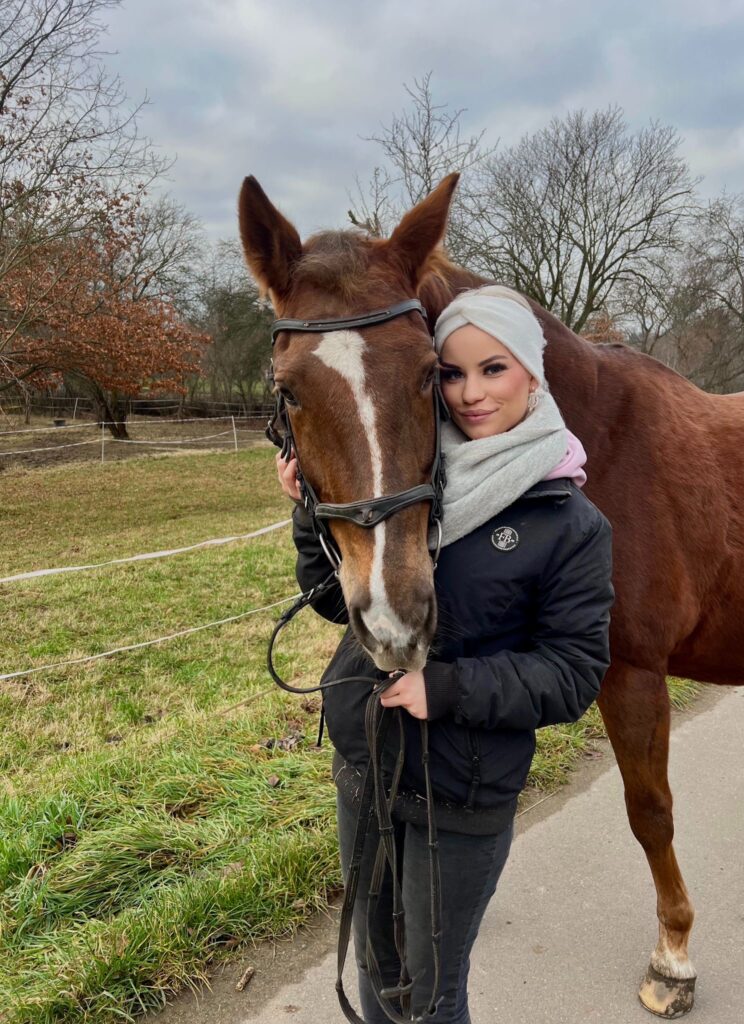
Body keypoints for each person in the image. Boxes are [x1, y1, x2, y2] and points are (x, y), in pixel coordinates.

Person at [276, 285, 614, 1024]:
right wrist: (310, 512)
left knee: (430, 995)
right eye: (452, 374)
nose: (471, 394)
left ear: (533, 373)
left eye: (494, 369)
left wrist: (447, 688)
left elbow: (573, 674)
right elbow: (338, 604)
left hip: (462, 793)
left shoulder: (568, 521)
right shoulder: (409, 480)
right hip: (368, 770)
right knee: (373, 966)